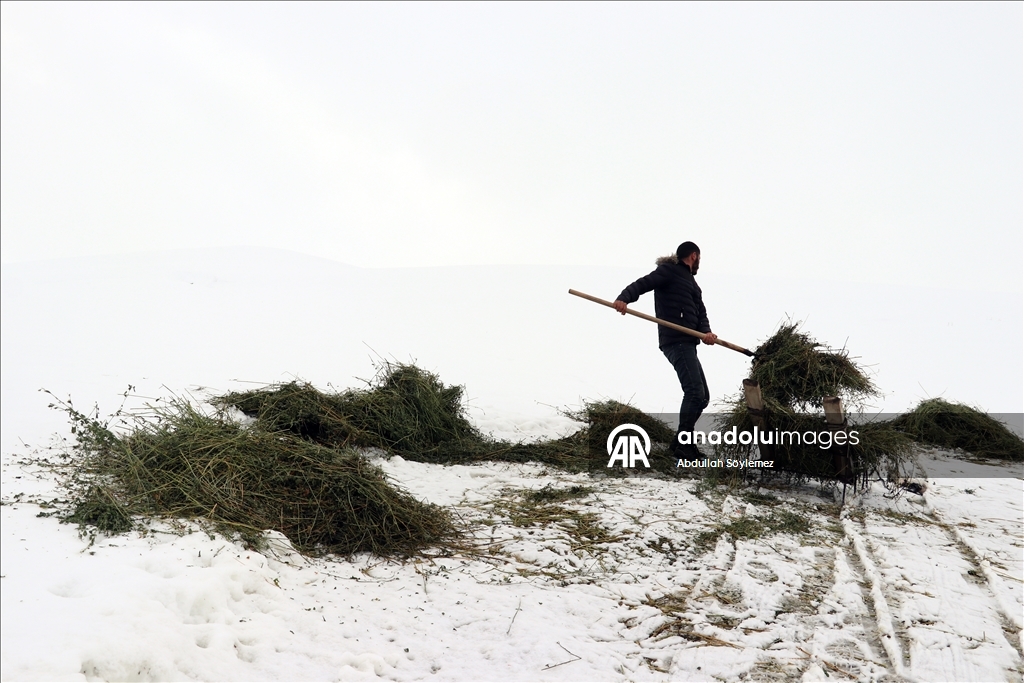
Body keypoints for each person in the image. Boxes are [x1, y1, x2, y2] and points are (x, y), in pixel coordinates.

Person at [613, 242, 717, 458]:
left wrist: (707, 333)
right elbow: (643, 283)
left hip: (689, 342)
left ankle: (680, 441)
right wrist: (624, 298)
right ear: (694, 256)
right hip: (675, 340)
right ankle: (683, 445)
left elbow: (701, 313)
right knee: (694, 392)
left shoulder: (693, 284)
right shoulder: (668, 271)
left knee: (703, 396)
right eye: (699, 258)